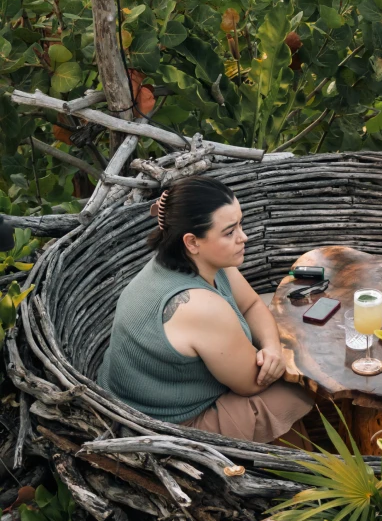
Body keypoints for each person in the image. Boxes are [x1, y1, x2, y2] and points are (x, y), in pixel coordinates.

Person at [98, 176, 314, 448]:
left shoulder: (197, 261)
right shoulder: (197, 306)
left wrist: (271, 347)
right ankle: (302, 463)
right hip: (164, 427)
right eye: (229, 231)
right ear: (191, 241)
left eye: (240, 224)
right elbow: (251, 384)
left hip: (147, 397)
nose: (243, 237)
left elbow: (252, 305)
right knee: (297, 387)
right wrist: (280, 358)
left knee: (283, 362)